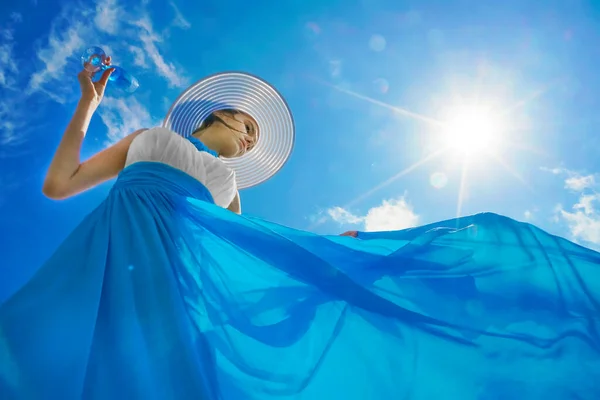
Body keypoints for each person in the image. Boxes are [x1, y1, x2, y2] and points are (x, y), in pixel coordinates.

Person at [0, 59, 599, 400]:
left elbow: (247, 255)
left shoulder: (229, 189)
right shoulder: (150, 140)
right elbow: (59, 185)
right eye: (246, 124)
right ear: (219, 114)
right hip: (105, 252)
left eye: (256, 135)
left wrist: (342, 249)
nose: (249, 136)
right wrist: (88, 103)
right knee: (40, 348)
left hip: (171, 284)